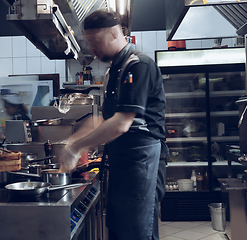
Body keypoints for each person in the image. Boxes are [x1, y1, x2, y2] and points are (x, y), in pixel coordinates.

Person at [58, 10, 166, 240]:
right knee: (119, 230)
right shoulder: (113, 70)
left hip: (141, 161)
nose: (92, 49)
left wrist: (77, 148)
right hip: (122, 161)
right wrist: (73, 141)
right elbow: (104, 120)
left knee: (136, 233)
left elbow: (121, 124)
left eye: (94, 41)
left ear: (112, 33)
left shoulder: (138, 65)